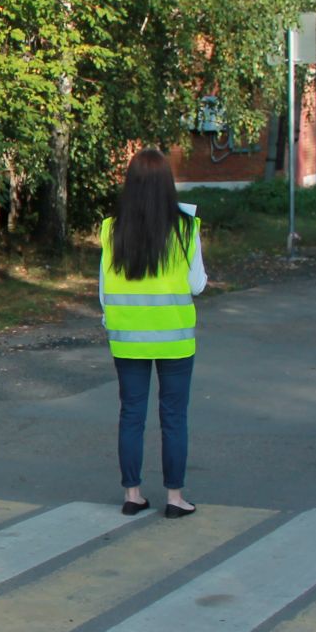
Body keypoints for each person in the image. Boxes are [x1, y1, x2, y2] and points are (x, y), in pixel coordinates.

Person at [100, 147, 207, 519]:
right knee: (174, 416)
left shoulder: (111, 228)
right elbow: (197, 285)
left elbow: (103, 289)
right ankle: (175, 499)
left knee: (131, 414)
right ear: (167, 185)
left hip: (127, 339)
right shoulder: (185, 227)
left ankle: (133, 494)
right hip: (175, 340)